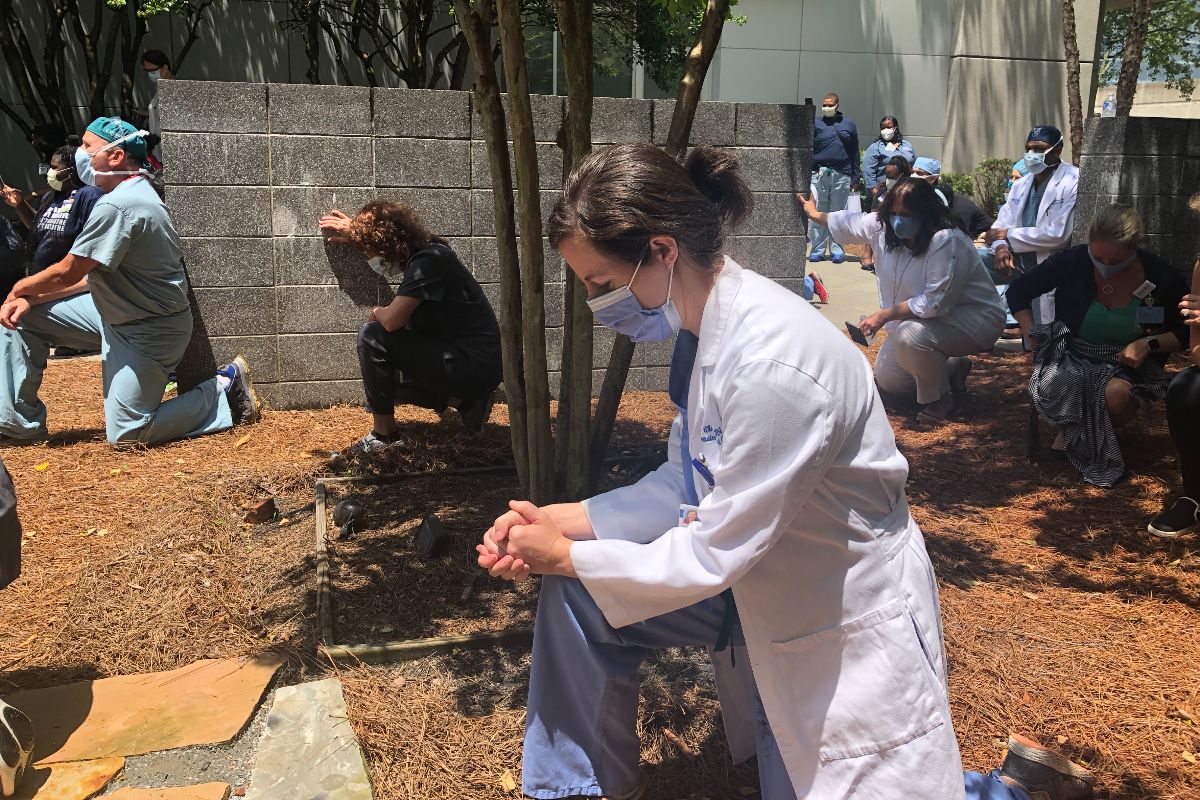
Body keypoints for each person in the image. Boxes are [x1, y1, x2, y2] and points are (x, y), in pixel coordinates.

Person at [475, 142, 1094, 800]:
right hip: (754, 577)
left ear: (661, 251)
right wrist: (562, 522)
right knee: (580, 600)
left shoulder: (773, 364)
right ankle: (574, 790)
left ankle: (1012, 790)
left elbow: (712, 551)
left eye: (602, 285)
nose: (598, 305)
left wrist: (565, 555)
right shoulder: (704, 333)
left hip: (832, 600)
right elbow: (688, 477)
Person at [0, 117, 258, 446]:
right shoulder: (133, 191)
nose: (80, 154)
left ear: (116, 156)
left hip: (147, 329)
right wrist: (30, 300)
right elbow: (89, 276)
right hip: (115, 311)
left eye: (88, 147)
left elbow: (69, 271)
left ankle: (225, 390)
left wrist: (19, 288)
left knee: (128, 432)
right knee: (22, 318)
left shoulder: (118, 205)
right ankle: (18, 425)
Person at [1008, 204, 1188, 488]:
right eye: (1098, 257)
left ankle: (1086, 433)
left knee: (1116, 396)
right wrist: (1031, 331)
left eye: (1115, 260)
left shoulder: (1161, 276)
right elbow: (1018, 291)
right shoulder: (1074, 261)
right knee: (1055, 383)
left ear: (1134, 249)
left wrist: (1148, 343)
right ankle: (1080, 432)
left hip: (1127, 361)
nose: (1105, 265)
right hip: (1074, 353)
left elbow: (1186, 331)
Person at [800, 177, 1006, 426]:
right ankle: (953, 366)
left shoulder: (946, 240)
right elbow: (850, 222)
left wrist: (885, 315)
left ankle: (939, 399)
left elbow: (935, 302)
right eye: (894, 213)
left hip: (974, 318)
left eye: (906, 214)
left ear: (925, 213)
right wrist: (814, 214)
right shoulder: (883, 226)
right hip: (924, 322)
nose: (898, 221)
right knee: (891, 380)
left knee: (910, 336)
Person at [319, 200, 503, 456]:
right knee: (385, 383)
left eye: (372, 251)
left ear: (388, 244)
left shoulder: (428, 261)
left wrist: (377, 312)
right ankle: (469, 404)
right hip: (475, 362)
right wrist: (359, 233)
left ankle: (383, 436)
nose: (372, 259)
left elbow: (391, 320)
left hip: (473, 364)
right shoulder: (430, 253)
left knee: (372, 337)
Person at [983, 126, 1079, 338]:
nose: (1031, 154)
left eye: (1039, 148)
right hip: (1016, 260)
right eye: (1028, 148)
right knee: (967, 261)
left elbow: (1059, 235)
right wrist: (1000, 248)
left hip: (1052, 264)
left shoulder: (1073, 180)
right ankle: (977, 329)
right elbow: (1000, 224)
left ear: (1058, 150)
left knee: (1046, 332)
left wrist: (1007, 235)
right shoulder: (1021, 184)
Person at [808, 92, 859, 264]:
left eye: (830, 105)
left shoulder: (849, 124)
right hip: (819, 173)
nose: (827, 108)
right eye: (824, 105)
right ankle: (817, 250)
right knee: (819, 211)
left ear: (837, 105)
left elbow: (854, 152)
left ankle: (837, 249)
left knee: (839, 213)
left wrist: (855, 176)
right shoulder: (815, 123)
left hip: (842, 173)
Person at [911, 157, 996, 238]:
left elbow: (961, 238)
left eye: (920, 173)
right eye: (912, 172)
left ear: (933, 179)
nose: (913, 176)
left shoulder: (961, 209)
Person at [860, 156, 912, 274]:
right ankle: (869, 254)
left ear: (902, 175)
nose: (889, 180)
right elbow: (874, 215)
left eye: (892, 177)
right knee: (874, 221)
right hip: (884, 227)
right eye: (887, 176)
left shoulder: (910, 189)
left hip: (901, 228)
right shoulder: (883, 190)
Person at [862, 116, 916, 207]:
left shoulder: (907, 145)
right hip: (883, 194)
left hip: (905, 193)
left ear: (895, 128)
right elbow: (868, 171)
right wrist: (875, 193)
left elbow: (914, 165)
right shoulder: (875, 147)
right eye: (882, 128)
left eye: (888, 127)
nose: (885, 130)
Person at [141, 49, 174, 157]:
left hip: (169, 146)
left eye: (153, 71)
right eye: (147, 71)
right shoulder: (160, 87)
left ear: (165, 68)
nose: (150, 74)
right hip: (157, 145)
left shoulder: (174, 88)